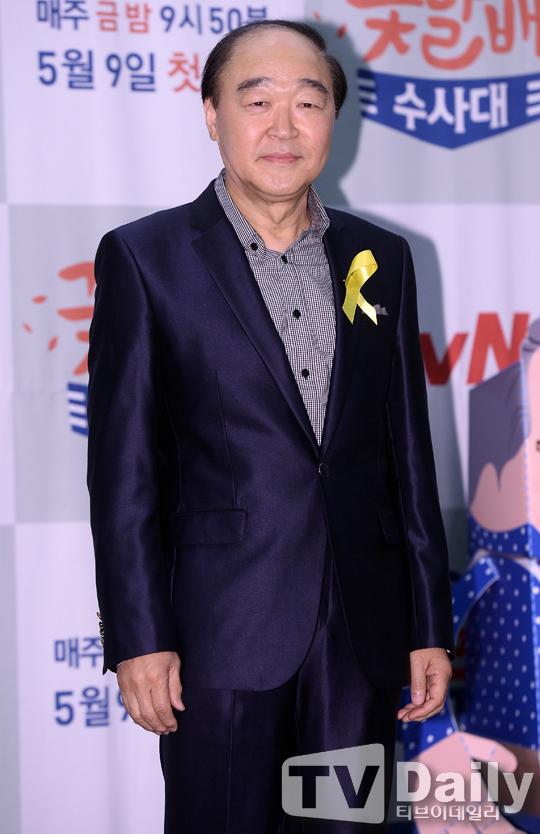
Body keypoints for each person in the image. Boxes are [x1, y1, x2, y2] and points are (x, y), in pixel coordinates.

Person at [87, 19, 454, 833]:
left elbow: (407, 454)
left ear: (333, 119)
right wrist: (138, 635)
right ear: (212, 115)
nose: (284, 127)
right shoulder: (146, 259)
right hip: (219, 632)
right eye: (257, 102)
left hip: (361, 632)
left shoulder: (382, 258)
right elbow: (123, 470)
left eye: (308, 103)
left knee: (348, 824)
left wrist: (428, 623)